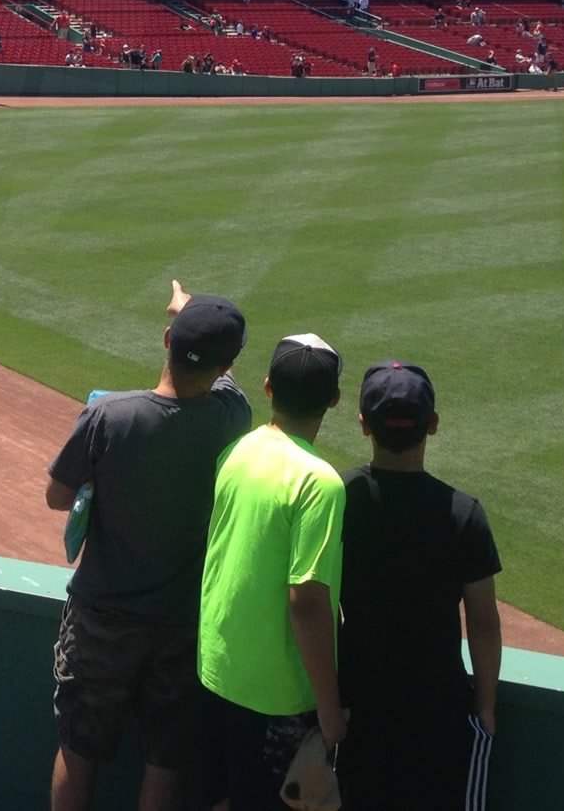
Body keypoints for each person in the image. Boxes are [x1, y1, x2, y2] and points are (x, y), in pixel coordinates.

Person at [45, 283, 253, 811]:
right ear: (227, 363)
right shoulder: (233, 416)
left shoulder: (108, 416)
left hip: (101, 617)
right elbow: (226, 381)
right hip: (183, 624)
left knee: (79, 748)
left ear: (165, 339)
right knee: (166, 761)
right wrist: (193, 320)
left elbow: (56, 496)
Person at [337, 362, 501, 811]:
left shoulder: (337, 497)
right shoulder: (464, 513)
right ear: (433, 424)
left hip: (357, 701)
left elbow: (315, 600)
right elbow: (483, 623)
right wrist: (485, 709)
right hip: (437, 708)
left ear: (364, 424)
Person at [197, 333, 347, 811]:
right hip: (277, 695)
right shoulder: (320, 483)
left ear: (267, 387)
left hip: (216, 671)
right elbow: (306, 602)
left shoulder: (236, 451)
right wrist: (329, 708)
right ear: (334, 399)